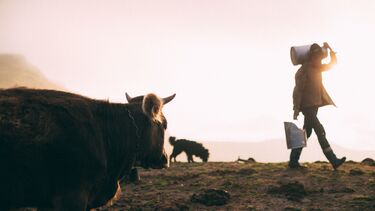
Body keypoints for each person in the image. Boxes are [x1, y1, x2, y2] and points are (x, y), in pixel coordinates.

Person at [290, 42, 346, 169]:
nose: (320, 60)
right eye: (318, 58)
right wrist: (296, 109)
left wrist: (330, 50)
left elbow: (333, 64)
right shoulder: (304, 70)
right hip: (307, 107)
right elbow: (298, 91)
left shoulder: (318, 67)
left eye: (321, 58)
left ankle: (293, 161)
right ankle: (333, 160)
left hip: (314, 106)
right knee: (320, 131)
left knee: (306, 133)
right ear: (312, 57)